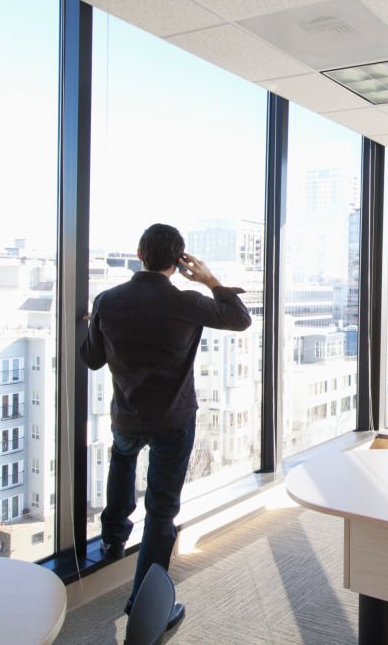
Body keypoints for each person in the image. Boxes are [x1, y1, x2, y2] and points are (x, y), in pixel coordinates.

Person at [80, 223, 251, 629]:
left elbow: (92, 359)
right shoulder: (186, 302)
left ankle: (113, 535)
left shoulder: (107, 300)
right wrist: (210, 280)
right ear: (179, 262)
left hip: (127, 414)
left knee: (121, 461)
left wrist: (91, 324)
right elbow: (239, 318)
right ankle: (144, 606)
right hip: (173, 420)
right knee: (161, 512)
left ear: (139, 253)